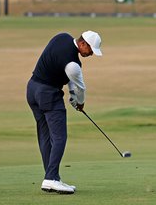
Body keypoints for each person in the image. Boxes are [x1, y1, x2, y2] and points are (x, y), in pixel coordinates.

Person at [26, 30, 103, 195]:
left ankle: (52, 177)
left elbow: (62, 73)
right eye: (90, 50)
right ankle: (51, 179)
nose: (90, 54)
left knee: (45, 136)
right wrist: (80, 103)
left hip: (32, 89)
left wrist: (72, 95)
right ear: (83, 44)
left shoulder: (62, 37)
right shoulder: (74, 65)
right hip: (48, 95)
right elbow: (80, 87)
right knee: (60, 137)